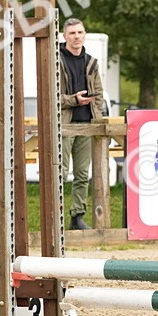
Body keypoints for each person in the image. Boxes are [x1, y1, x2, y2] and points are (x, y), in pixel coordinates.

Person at [58, 18, 105, 230]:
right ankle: (55, 216)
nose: (76, 36)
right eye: (72, 33)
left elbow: (99, 94)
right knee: (59, 172)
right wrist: (73, 100)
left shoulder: (92, 62)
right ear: (64, 36)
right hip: (64, 124)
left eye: (80, 32)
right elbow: (52, 96)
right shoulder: (55, 60)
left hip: (86, 123)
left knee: (82, 174)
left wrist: (96, 113)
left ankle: (77, 216)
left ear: (84, 34)